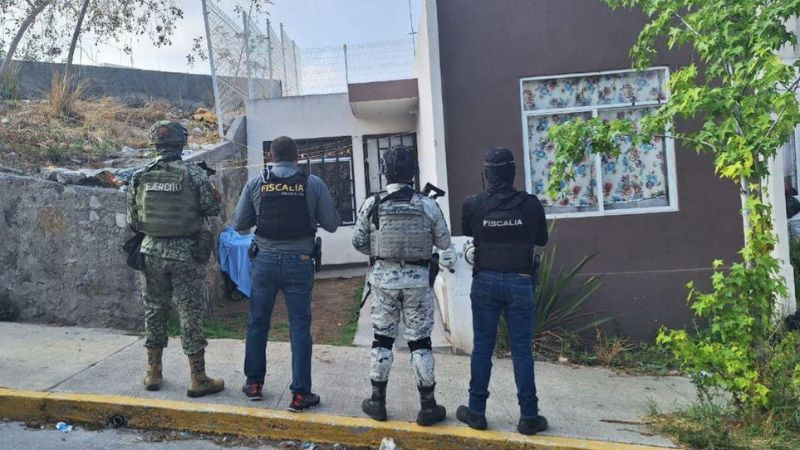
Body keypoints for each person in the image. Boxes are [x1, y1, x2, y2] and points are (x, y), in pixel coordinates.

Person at [233, 136, 340, 411]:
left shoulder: (256, 183)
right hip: (299, 261)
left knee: (258, 322)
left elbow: (240, 224)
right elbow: (331, 224)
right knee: (299, 326)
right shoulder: (312, 183)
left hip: (264, 262)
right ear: (297, 156)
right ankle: (300, 394)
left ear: (270, 157)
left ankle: (254, 384)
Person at [352, 145, 452, 426]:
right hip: (418, 282)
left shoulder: (372, 204)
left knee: (382, 340)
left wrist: (381, 252)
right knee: (420, 342)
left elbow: (358, 242)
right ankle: (428, 406)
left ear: (385, 171)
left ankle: (377, 402)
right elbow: (444, 242)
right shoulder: (427, 205)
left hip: (383, 282)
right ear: (414, 171)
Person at [127, 120, 224, 398]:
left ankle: (153, 373)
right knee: (189, 312)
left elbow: (134, 220)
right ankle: (198, 377)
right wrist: (215, 195)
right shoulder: (194, 174)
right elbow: (212, 208)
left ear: (155, 143)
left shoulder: (140, 175)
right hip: (185, 253)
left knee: (154, 309)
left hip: (151, 251)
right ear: (182, 142)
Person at [456, 147, 549, 435]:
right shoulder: (531, 204)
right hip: (520, 281)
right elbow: (542, 240)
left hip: (485, 280)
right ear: (512, 172)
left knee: (483, 347)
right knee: (522, 350)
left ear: (486, 174)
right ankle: (529, 416)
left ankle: (476, 411)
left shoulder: (473, 204)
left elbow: (469, 231)